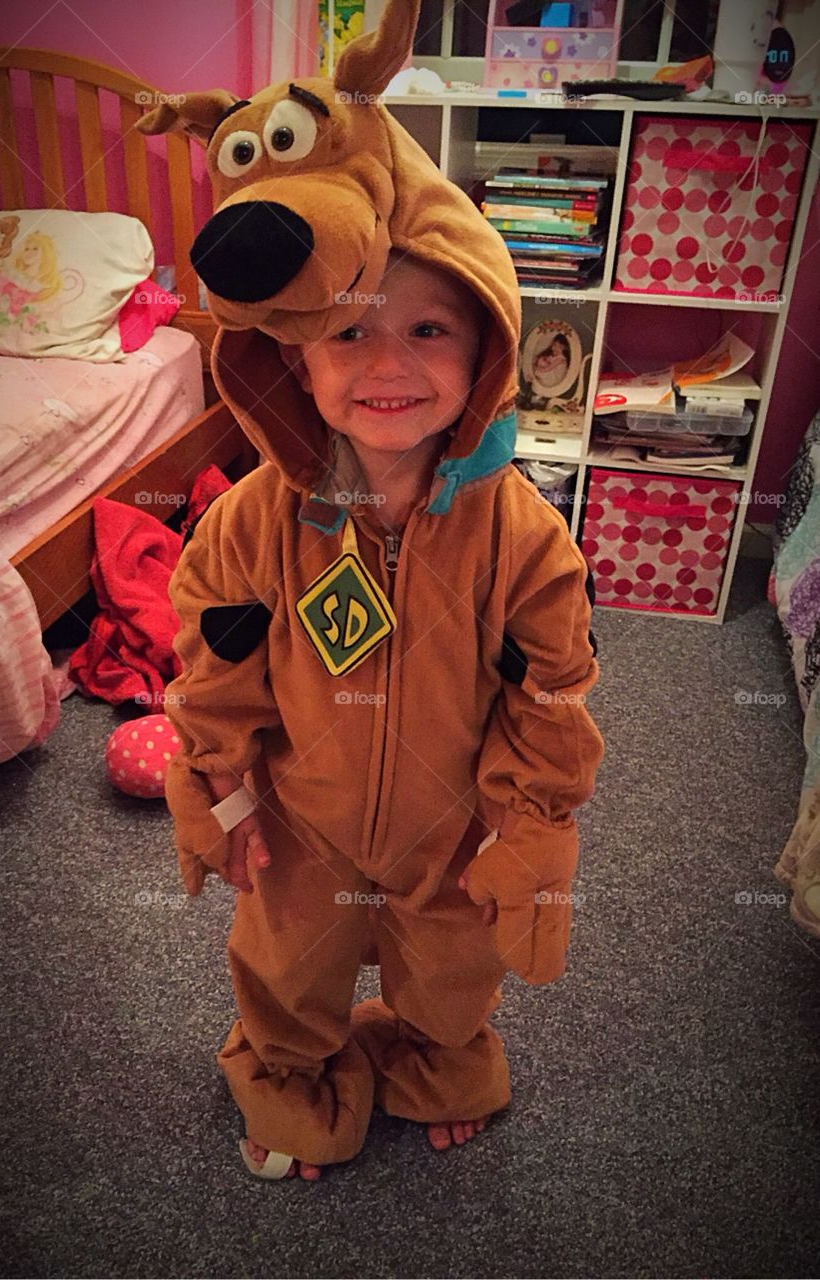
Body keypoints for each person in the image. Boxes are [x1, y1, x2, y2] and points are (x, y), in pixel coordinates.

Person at [161, 247, 605, 1181]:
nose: (387, 364)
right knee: (287, 963)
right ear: (297, 359)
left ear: (485, 353)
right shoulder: (251, 521)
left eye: (427, 330)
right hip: (299, 817)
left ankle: (437, 1058)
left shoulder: (524, 537)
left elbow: (552, 689)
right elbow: (215, 661)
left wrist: (531, 817)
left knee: (452, 962)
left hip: (454, 820)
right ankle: (287, 1069)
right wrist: (219, 779)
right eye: (348, 331)